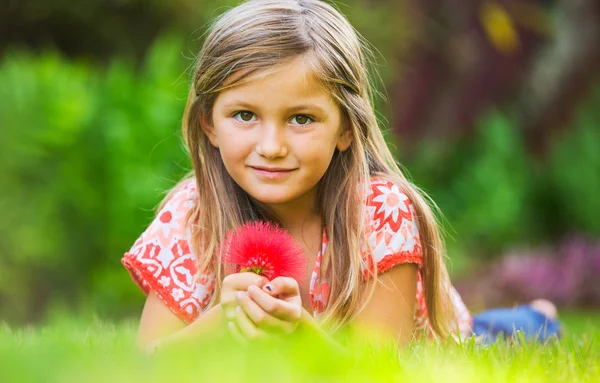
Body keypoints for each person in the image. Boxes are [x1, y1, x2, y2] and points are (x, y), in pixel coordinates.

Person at [121, 0, 558, 352]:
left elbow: (380, 368)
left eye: (301, 119)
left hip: (451, 336)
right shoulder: (192, 215)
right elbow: (145, 362)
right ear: (209, 124)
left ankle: (538, 315)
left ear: (347, 128)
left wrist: (301, 335)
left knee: (506, 332)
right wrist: (219, 322)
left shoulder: (379, 212)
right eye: (245, 115)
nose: (272, 146)